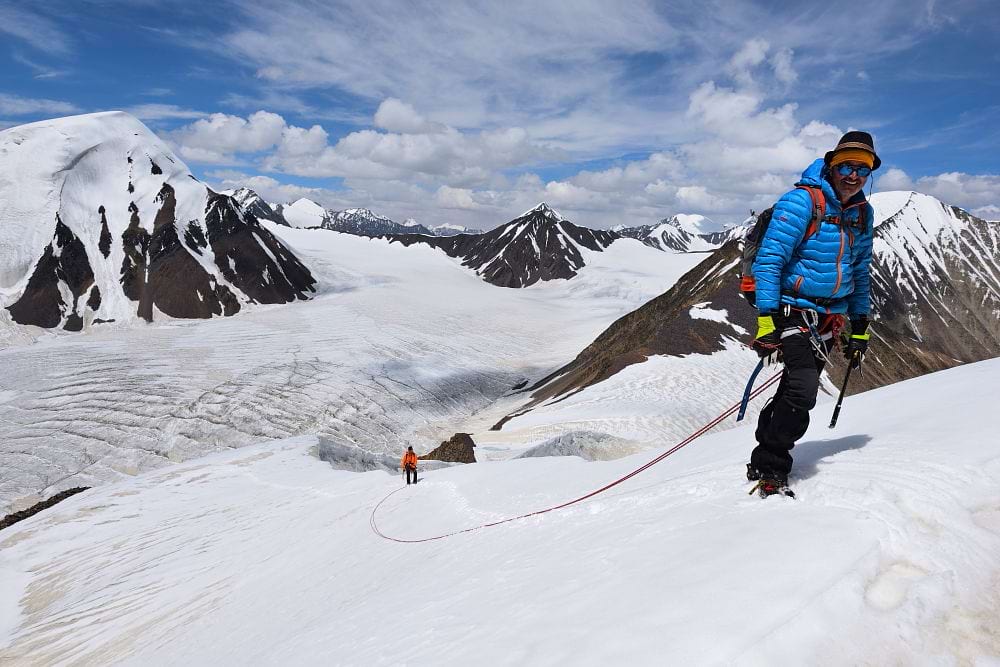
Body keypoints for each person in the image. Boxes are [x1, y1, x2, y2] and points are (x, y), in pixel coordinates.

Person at [747, 131, 879, 497]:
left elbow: (860, 271)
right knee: (804, 389)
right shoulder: (801, 202)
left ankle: (763, 452)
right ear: (832, 164)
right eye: (846, 166)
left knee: (794, 389)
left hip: (828, 317)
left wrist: (860, 325)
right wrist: (767, 319)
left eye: (862, 169)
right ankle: (772, 469)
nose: (853, 175)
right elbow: (769, 262)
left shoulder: (862, 214)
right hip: (791, 309)